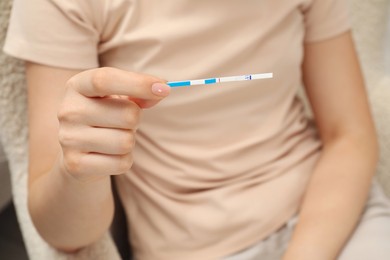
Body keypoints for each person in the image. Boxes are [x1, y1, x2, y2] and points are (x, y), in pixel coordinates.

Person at [3, 0, 390, 259]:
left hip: (334, 218)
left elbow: (350, 135)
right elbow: (64, 234)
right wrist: (80, 170)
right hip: (195, 248)